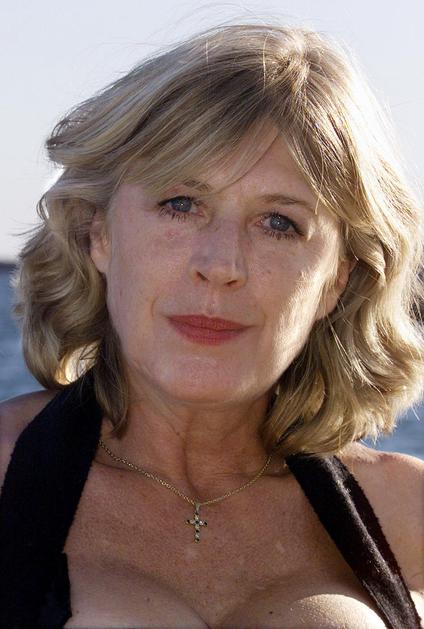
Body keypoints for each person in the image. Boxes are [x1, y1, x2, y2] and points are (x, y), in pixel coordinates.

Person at [0, 21, 423, 629]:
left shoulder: (409, 515)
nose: (221, 265)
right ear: (99, 232)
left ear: (337, 277)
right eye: (181, 204)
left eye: (278, 222)